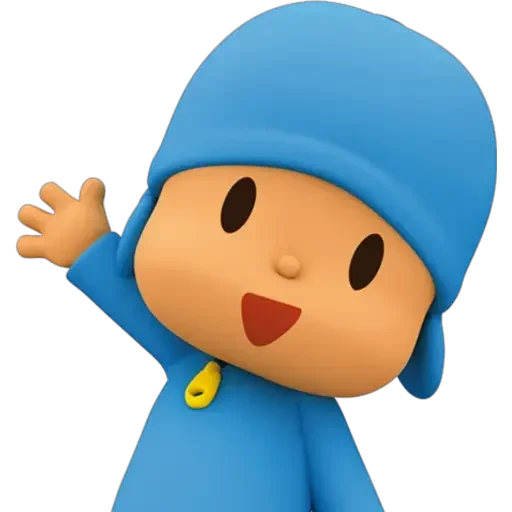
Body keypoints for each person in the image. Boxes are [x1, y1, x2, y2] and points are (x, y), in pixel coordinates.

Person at [16, 2, 497, 511]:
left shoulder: (309, 419)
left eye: (362, 266)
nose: (287, 266)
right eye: (236, 211)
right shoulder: (192, 358)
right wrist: (89, 247)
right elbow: (130, 301)